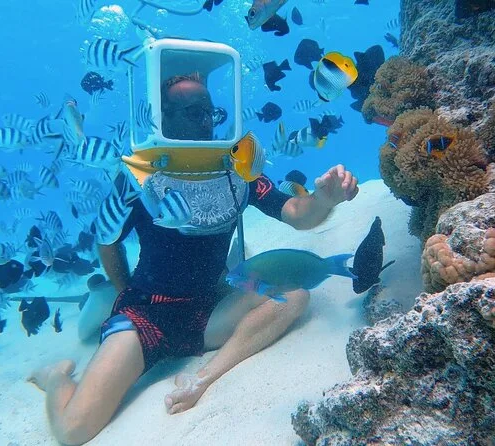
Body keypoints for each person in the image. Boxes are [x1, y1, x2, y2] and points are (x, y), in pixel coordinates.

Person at [28, 73, 359, 445]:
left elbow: (296, 213)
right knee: (74, 430)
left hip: (208, 308)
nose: (204, 119)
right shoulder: (140, 176)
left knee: (295, 298)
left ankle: (201, 378)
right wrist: (124, 292)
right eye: (190, 111)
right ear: (163, 118)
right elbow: (108, 242)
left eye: (207, 110)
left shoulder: (236, 170)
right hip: (146, 313)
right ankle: (56, 376)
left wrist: (324, 200)